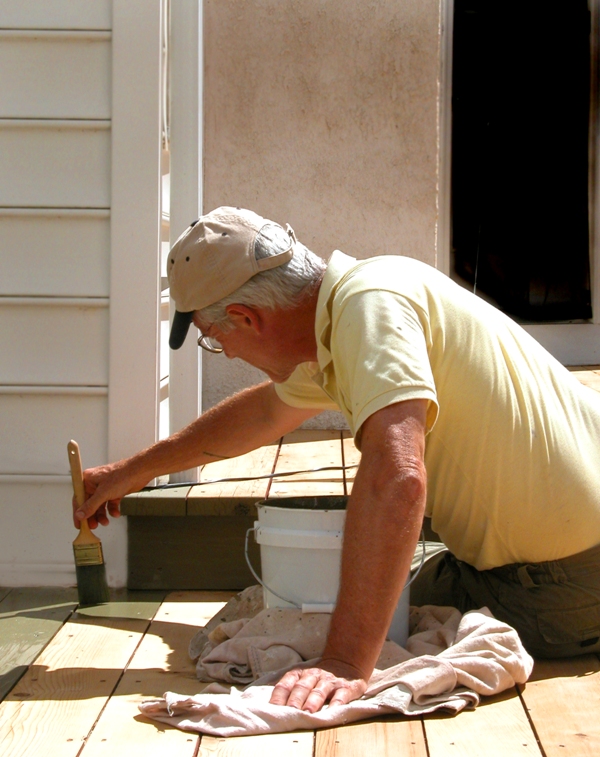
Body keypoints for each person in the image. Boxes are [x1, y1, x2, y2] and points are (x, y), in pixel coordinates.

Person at [75, 206, 600, 713]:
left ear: (245, 317)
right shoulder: (355, 304)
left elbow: (397, 482)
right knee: (345, 599)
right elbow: (260, 416)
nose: (227, 354)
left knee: (339, 620)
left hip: (562, 586)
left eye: (214, 341)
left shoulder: (369, 310)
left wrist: (345, 662)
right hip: (547, 564)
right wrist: (128, 475)